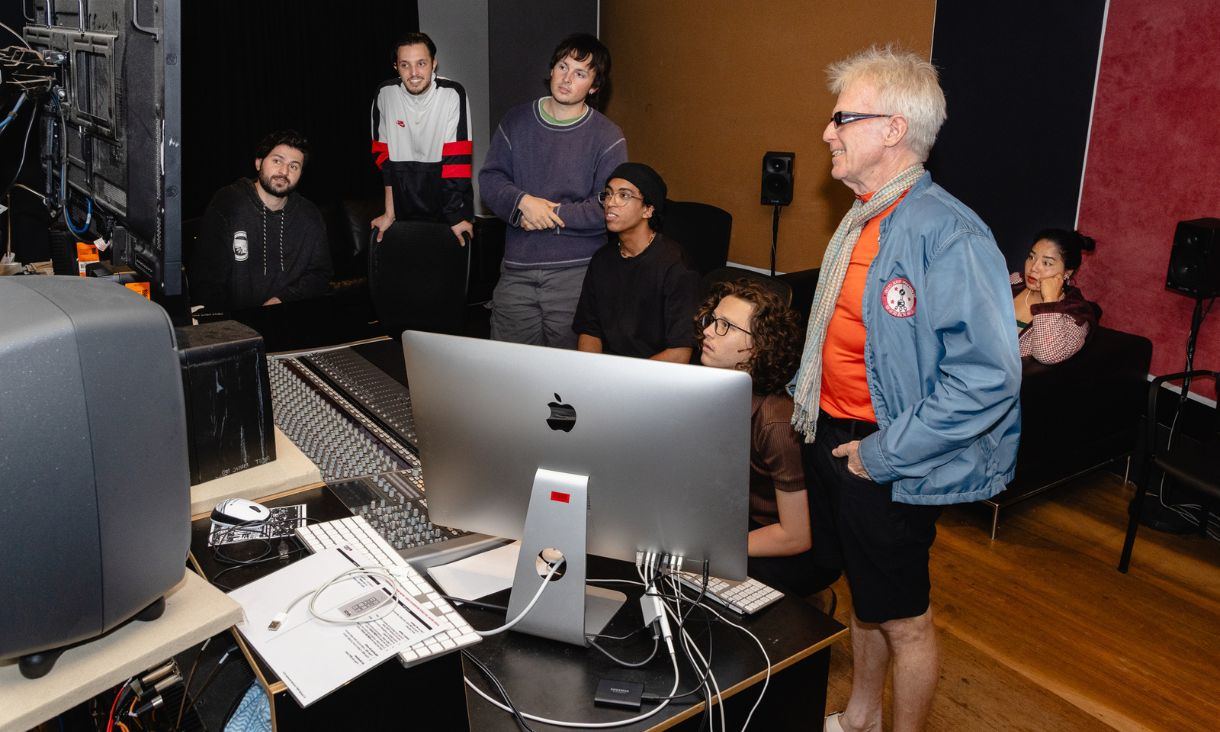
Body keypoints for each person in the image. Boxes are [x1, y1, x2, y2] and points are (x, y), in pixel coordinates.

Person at [790, 46, 1021, 732]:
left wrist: (879, 455)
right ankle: (861, 716)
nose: (828, 132)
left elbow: (987, 377)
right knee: (867, 599)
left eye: (842, 119)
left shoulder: (948, 232)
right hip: (835, 436)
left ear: (892, 128)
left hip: (888, 454)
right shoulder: (862, 215)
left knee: (907, 619)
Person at [479, 33, 628, 348]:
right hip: (517, 271)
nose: (566, 78)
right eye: (563, 66)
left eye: (580, 73)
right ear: (552, 70)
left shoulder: (608, 137)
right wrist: (522, 203)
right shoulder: (516, 121)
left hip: (576, 275)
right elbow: (490, 180)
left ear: (595, 86)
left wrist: (545, 212)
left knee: (568, 383)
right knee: (508, 372)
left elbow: (608, 206)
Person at [698, 279, 839, 595]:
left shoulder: (776, 422)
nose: (708, 331)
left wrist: (709, 547)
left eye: (726, 326)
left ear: (758, 346)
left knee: (690, 572)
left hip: (790, 549)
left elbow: (796, 535)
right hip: (744, 522)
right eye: (712, 320)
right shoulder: (720, 390)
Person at [190, 130, 332, 312]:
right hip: (236, 326)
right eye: (277, 161)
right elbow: (207, 280)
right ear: (258, 163)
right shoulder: (228, 203)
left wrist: (283, 300)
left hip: (290, 319)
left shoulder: (310, 215)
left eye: (294, 166)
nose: (284, 171)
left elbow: (320, 274)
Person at [572, 162, 698, 362]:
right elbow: (589, 330)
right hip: (605, 373)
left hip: (655, 378)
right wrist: (592, 373)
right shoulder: (602, 259)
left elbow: (680, 352)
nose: (611, 202)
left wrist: (625, 382)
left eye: (624, 195)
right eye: (608, 193)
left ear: (648, 210)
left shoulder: (675, 266)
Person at [369, 32, 474, 246]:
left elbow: (458, 163)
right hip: (404, 209)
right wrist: (390, 212)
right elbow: (384, 159)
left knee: (447, 277)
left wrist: (454, 215)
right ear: (396, 66)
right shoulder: (384, 94)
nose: (414, 73)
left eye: (421, 63)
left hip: (449, 207)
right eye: (405, 65)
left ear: (434, 64)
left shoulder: (453, 93)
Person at [1012, 228, 1101, 364]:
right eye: (1031, 257)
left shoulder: (1076, 315)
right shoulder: (1014, 282)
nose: (1033, 267)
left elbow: (1046, 355)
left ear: (1067, 273)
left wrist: (1050, 302)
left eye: (1047, 263)